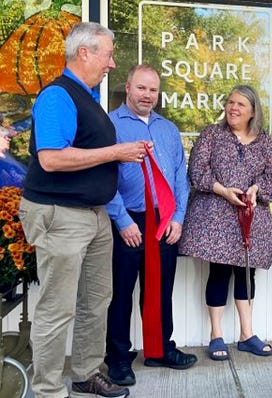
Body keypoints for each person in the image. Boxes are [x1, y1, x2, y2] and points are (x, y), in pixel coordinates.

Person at [18, 22, 149, 398]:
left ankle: (85, 373)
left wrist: (121, 156)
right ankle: (47, 390)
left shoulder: (87, 97)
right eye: (107, 54)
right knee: (57, 309)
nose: (111, 64)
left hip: (94, 214)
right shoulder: (58, 96)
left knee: (96, 301)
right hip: (61, 214)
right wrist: (117, 152)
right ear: (85, 53)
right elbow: (52, 159)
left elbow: (89, 158)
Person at [104, 64, 197, 386]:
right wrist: (122, 220)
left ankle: (159, 350)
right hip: (127, 221)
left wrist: (178, 218)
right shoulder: (110, 125)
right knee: (120, 294)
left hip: (164, 221)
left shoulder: (168, 130)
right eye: (141, 88)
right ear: (127, 87)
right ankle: (117, 358)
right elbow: (103, 180)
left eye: (153, 90)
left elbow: (180, 180)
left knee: (160, 291)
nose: (147, 95)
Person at [179, 85, 272, 360]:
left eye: (240, 105)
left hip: (251, 217)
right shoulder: (212, 134)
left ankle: (247, 334)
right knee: (219, 272)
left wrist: (256, 189)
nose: (233, 108)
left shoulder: (265, 142)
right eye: (230, 102)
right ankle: (216, 335)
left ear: (252, 112)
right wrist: (223, 190)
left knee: (247, 274)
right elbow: (196, 172)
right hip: (217, 218)